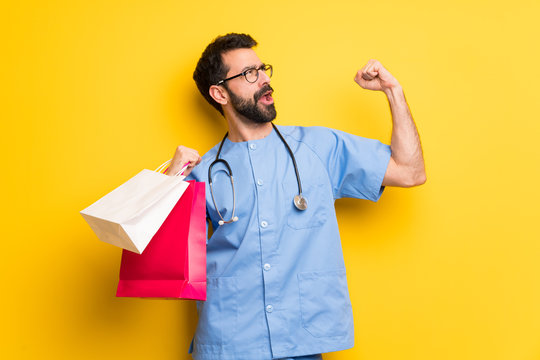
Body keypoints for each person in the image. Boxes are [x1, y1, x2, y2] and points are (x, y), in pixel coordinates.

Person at [165, 33, 426, 360]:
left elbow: (410, 171)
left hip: (300, 340)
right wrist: (169, 181)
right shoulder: (201, 171)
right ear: (220, 93)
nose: (265, 80)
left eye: (263, 69)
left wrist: (394, 92)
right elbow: (164, 259)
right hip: (230, 342)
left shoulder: (320, 147)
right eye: (249, 73)